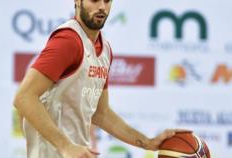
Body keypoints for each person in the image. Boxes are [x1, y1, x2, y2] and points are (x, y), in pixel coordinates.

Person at [14, 0, 186, 157]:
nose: (102, 7)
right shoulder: (68, 40)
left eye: (107, 0)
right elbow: (24, 98)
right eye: (94, 0)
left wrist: (147, 142)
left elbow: (100, 113)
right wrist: (65, 146)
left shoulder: (105, 50)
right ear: (77, 1)